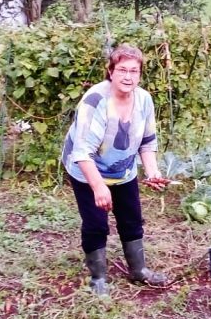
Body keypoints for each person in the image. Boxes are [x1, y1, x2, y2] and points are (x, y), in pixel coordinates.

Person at [61, 44, 170, 295]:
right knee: (96, 223)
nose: (128, 76)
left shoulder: (144, 100)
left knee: (131, 219)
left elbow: (147, 142)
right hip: (87, 170)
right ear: (110, 71)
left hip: (123, 171)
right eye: (122, 70)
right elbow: (82, 152)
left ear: (140, 74)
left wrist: (152, 172)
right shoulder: (95, 101)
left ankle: (139, 271)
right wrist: (98, 187)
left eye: (134, 71)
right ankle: (98, 278)